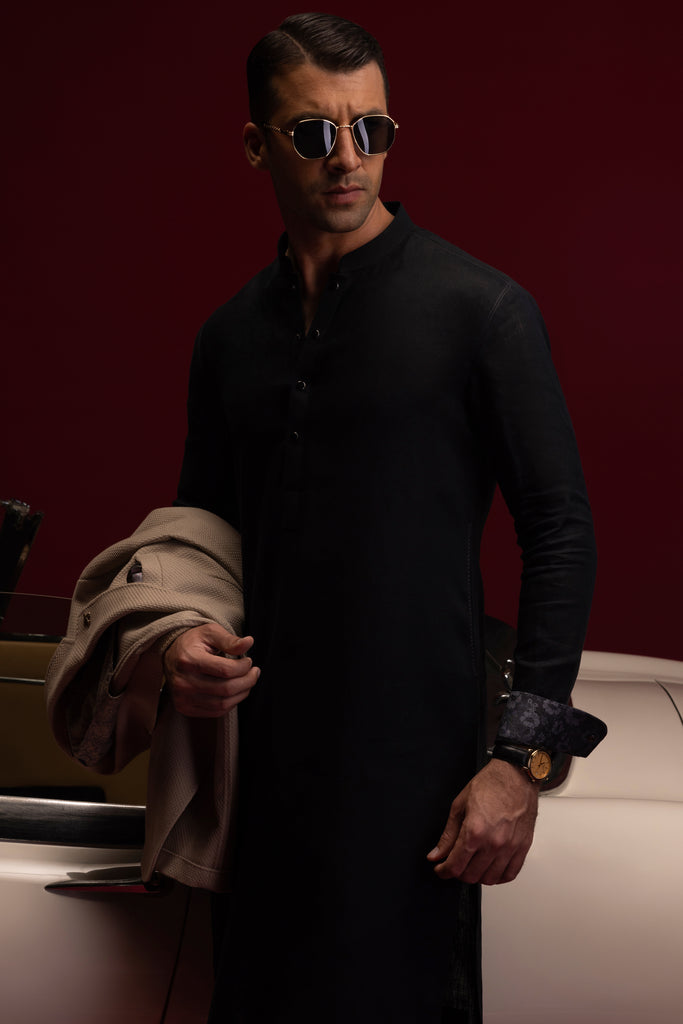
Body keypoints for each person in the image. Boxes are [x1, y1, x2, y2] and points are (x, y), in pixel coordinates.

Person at [161, 12, 599, 1024]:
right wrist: (178, 636)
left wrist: (520, 762)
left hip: (418, 804)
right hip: (258, 798)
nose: (347, 157)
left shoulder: (479, 311)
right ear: (256, 145)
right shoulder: (227, 339)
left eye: (371, 129)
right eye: (314, 133)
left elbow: (560, 530)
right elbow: (197, 537)